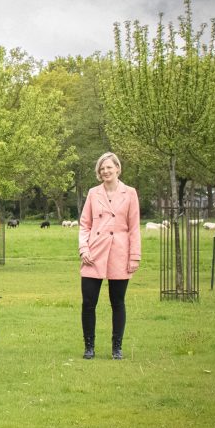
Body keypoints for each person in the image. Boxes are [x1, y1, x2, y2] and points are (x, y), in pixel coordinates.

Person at [78, 152, 141, 360]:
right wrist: (84, 249)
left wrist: (134, 256)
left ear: (117, 169)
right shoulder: (93, 193)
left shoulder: (130, 193)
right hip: (94, 251)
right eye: (102, 168)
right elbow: (85, 224)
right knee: (88, 302)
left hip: (120, 252)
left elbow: (134, 228)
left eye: (109, 167)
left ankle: (117, 348)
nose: (105, 171)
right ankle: (89, 347)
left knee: (118, 302)